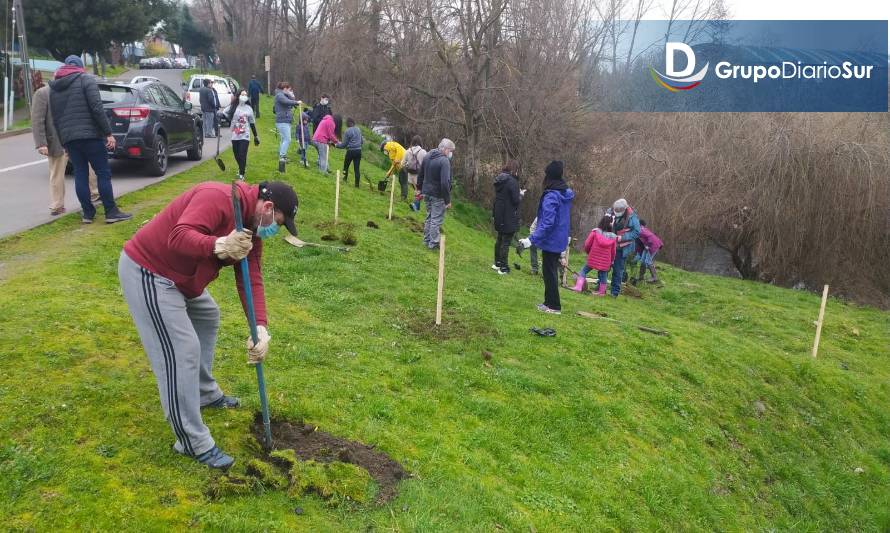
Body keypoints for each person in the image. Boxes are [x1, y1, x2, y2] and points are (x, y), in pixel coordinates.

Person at [118, 180, 299, 470]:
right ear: (267, 208)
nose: (274, 229)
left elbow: (250, 276)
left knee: (208, 315)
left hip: (182, 280)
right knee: (182, 350)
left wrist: (260, 329)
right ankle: (191, 440)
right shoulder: (216, 197)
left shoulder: (252, 227)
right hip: (150, 272)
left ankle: (202, 392)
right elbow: (178, 237)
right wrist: (219, 244)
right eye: (278, 222)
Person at [48, 55, 131, 224]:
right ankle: (110, 211)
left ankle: (87, 213)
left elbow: (54, 118)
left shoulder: (54, 87)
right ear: (80, 66)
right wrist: (108, 133)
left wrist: (63, 141)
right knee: (102, 172)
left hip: (70, 139)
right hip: (91, 135)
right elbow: (96, 108)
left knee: (80, 173)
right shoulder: (86, 79)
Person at [31, 84, 99, 216]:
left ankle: (94, 193)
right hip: (57, 141)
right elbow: (37, 120)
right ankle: (57, 205)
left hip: (76, 137)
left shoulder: (72, 90)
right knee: (57, 173)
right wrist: (41, 143)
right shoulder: (43, 93)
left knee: (89, 166)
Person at [518, 161, 574, 314]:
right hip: (559, 237)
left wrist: (531, 239)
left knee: (549, 272)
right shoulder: (565, 193)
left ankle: (554, 306)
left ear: (548, 176)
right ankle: (548, 302)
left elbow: (547, 222)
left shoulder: (551, 196)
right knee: (550, 270)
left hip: (551, 239)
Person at [417, 138, 455, 250]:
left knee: (429, 217)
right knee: (436, 220)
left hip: (426, 192)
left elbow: (421, 173)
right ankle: (433, 244)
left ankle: (426, 240)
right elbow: (445, 182)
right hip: (438, 195)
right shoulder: (444, 161)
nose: (451, 153)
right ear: (445, 149)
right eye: (450, 150)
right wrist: (447, 201)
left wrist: (419, 188)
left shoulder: (428, 155)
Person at [491, 159, 525, 274]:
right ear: (514, 169)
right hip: (508, 214)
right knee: (506, 242)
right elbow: (515, 200)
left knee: (499, 239)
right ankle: (504, 267)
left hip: (499, 212)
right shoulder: (512, 181)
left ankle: (497, 263)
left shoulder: (500, 179)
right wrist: (520, 194)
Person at [573, 215, 618, 295]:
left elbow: (587, 244)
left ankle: (578, 287)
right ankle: (601, 292)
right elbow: (613, 251)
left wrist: (588, 252)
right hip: (605, 260)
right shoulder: (613, 237)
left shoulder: (595, 232)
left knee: (583, 271)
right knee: (603, 275)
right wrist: (611, 261)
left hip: (593, 257)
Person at [606, 198, 641, 297]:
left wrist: (622, 237)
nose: (616, 213)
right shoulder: (609, 211)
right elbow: (603, 224)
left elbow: (637, 232)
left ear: (625, 209)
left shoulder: (632, 216)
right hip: (608, 244)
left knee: (618, 270)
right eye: (615, 210)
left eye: (619, 211)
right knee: (604, 266)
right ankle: (601, 286)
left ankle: (614, 292)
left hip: (622, 247)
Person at [229, 91, 260, 181]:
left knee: (242, 154)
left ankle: (242, 174)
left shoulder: (249, 109)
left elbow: (252, 123)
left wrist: (256, 136)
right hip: (235, 135)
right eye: (242, 94)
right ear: (238, 96)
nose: (244, 96)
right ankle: (241, 167)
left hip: (245, 135)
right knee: (236, 154)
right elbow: (226, 115)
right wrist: (220, 116)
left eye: (246, 95)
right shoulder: (233, 107)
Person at [273, 82, 301, 163]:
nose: (289, 91)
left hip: (285, 120)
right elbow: (286, 101)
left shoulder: (284, 95)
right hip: (282, 121)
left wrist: (292, 97)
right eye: (288, 90)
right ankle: (282, 156)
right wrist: (296, 102)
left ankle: (281, 154)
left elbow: (290, 101)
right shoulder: (279, 95)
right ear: (285, 88)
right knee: (288, 139)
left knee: (283, 139)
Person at [633, 219, 663, 284]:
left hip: (653, 244)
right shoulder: (641, 228)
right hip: (648, 244)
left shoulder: (640, 229)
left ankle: (654, 277)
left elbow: (650, 236)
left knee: (648, 261)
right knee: (642, 261)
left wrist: (648, 245)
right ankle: (641, 277)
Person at [402, 136, 427, 211]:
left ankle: (416, 207)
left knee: (417, 191)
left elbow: (402, 164)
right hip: (420, 176)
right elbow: (426, 165)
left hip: (411, 176)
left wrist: (408, 166)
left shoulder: (407, 151)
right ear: (420, 142)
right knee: (421, 192)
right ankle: (415, 205)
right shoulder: (423, 152)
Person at [336, 118, 363, 187]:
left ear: (349, 123)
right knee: (356, 169)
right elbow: (362, 141)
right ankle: (357, 185)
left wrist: (336, 145)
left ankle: (344, 180)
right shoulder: (358, 129)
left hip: (351, 151)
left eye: (346, 123)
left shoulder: (347, 131)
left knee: (346, 166)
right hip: (358, 151)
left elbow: (343, 145)